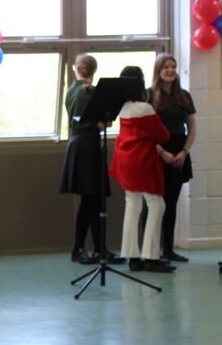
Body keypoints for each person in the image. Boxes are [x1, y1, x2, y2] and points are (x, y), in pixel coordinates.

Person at [59, 54, 125, 265]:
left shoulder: (72, 90)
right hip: (88, 145)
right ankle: (82, 248)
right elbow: (102, 121)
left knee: (92, 200)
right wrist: (101, 120)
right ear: (93, 71)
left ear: (76, 69)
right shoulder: (90, 92)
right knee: (91, 200)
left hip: (79, 144)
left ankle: (96, 248)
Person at [109, 67, 173, 273]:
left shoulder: (122, 108)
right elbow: (163, 135)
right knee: (157, 205)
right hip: (142, 161)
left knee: (132, 203)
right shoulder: (143, 109)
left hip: (125, 160)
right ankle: (151, 256)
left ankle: (132, 256)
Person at [148, 53, 197, 263]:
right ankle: (149, 251)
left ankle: (168, 249)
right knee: (153, 204)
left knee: (171, 202)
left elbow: (192, 128)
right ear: (158, 71)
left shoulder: (184, 96)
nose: (170, 70)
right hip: (157, 151)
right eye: (166, 67)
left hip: (179, 151)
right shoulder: (149, 95)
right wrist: (162, 152)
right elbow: (145, 131)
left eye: (173, 67)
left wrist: (184, 152)